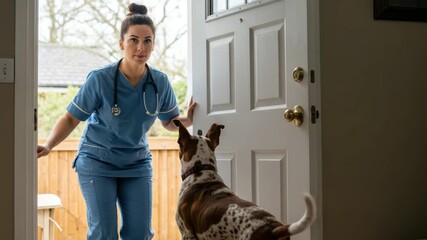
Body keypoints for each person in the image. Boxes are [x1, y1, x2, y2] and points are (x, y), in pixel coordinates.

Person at [37, 3, 196, 240]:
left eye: (147, 41)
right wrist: (49, 145)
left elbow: (169, 122)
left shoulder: (160, 82)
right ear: (122, 43)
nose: (141, 47)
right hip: (97, 161)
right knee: (104, 233)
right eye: (133, 40)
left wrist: (189, 120)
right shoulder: (100, 79)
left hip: (136, 163)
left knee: (140, 232)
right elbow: (71, 117)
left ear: (153, 44)